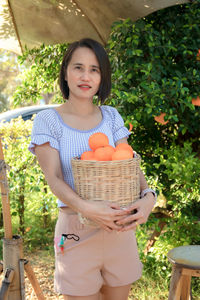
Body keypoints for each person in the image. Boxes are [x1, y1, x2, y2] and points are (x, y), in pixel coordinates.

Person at [29, 38, 156, 300]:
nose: (85, 76)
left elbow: (128, 164)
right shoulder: (48, 120)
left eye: (94, 69)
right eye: (78, 67)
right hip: (77, 231)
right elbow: (53, 178)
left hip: (119, 229)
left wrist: (148, 198)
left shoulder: (110, 116)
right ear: (65, 72)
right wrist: (87, 207)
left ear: (102, 77)